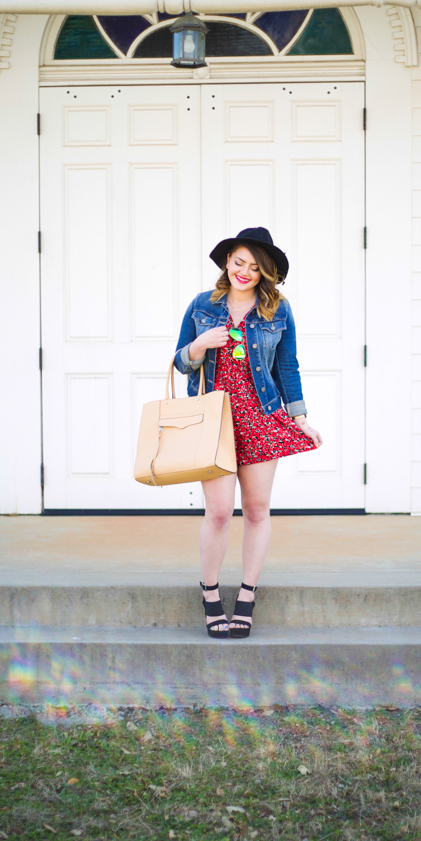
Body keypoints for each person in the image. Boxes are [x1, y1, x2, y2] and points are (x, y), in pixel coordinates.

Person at [174, 227, 322, 640]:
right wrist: (201, 343)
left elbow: (287, 367)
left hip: (260, 418)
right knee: (219, 512)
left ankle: (246, 596)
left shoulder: (279, 310)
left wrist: (299, 417)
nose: (245, 271)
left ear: (265, 274)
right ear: (226, 262)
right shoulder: (203, 306)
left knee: (257, 511)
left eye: (255, 267)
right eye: (239, 262)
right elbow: (181, 362)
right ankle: (209, 594)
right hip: (214, 422)